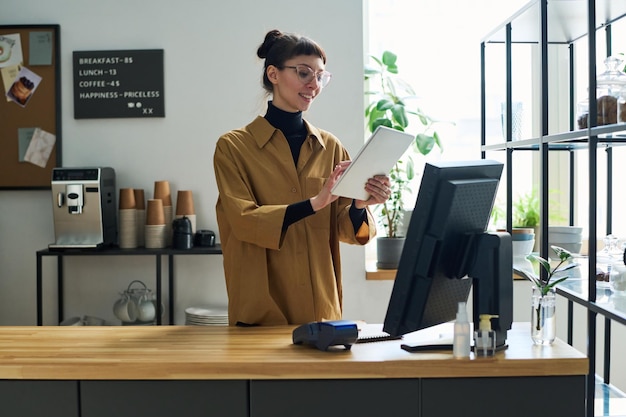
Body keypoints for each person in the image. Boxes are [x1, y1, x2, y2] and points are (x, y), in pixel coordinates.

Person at [213, 29, 391, 326]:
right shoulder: (233, 147)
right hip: (262, 308)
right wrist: (315, 203)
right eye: (304, 73)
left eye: (321, 76)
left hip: (320, 309)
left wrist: (361, 204)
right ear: (274, 74)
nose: (314, 85)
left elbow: (346, 230)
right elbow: (243, 220)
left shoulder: (331, 147)